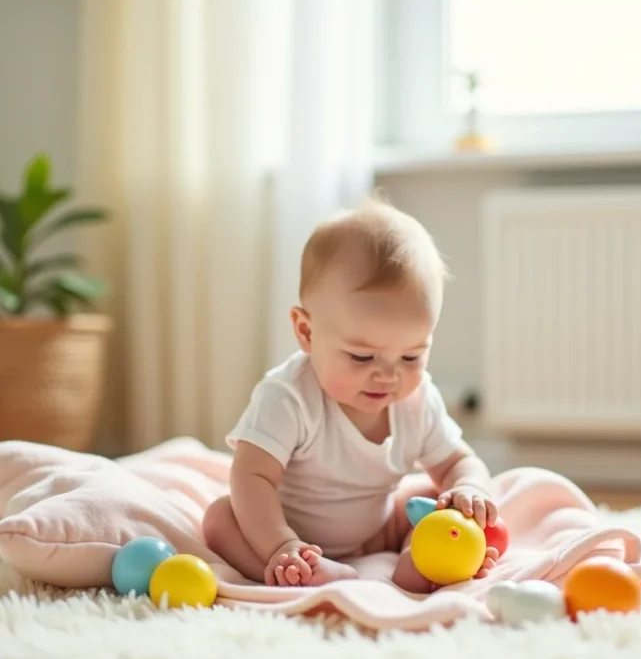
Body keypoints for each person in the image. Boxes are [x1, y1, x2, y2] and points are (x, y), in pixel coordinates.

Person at [202, 199, 499, 593]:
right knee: (221, 518)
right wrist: (281, 544)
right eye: (362, 355)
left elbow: (460, 461)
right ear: (307, 333)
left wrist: (469, 490)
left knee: (436, 496)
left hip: (377, 530)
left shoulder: (417, 399)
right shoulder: (288, 397)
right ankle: (294, 568)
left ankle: (425, 561)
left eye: (412, 355)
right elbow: (250, 476)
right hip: (290, 528)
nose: (389, 374)